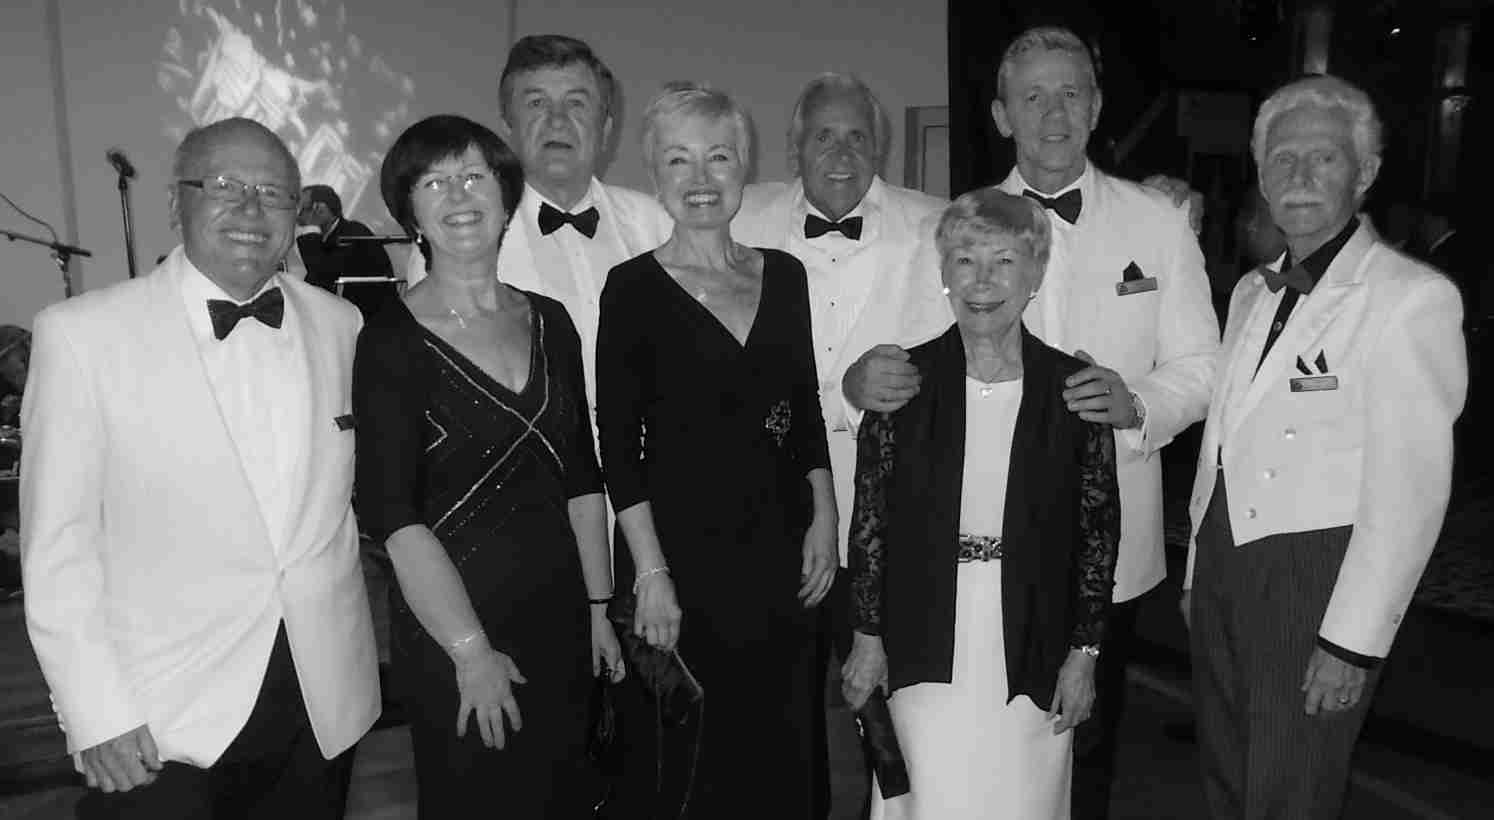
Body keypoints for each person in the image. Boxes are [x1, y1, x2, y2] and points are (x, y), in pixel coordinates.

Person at [844, 26, 1219, 817]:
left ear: (1098, 105)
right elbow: (890, 361)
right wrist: (857, 377)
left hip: (1094, 547)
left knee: (1079, 756)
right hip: (944, 565)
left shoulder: (1158, 222)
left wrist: (1139, 404)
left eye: (1071, 92)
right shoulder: (956, 230)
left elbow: (1203, 366)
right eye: (1033, 96)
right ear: (1001, 114)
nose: (1055, 112)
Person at [19, 117, 380, 819]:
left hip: (321, 700)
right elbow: (57, 548)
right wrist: (95, 711)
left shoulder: (344, 327)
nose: (251, 210)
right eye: (224, 186)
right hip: (161, 716)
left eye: (274, 194)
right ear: (174, 202)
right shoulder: (81, 336)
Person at [1182, 75, 1467, 819]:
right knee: (1227, 780)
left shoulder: (1410, 298)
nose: (1300, 175)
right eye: (1283, 159)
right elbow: (1222, 440)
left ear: (1365, 174)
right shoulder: (1251, 290)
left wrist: (1352, 642)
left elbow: (1410, 495)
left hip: (1315, 575)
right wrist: (1194, 572)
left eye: (1324, 158)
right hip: (1224, 564)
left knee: (1289, 793)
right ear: (1261, 175)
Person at [353, 114, 624, 818]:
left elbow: (582, 478)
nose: (459, 195)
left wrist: (599, 608)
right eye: (434, 182)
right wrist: (471, 652)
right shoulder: (389, 339)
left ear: (507, 198)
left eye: (474, 176)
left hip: (562, 616)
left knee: (570, 795)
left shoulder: (552, 320)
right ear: (409, 209)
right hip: (454, 631)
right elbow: (392, 515)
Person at [595, 83, 836, 818]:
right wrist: (651, 575)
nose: (701, 178)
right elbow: (619, 447)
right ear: (656, 177)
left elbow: (803, 409)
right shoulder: (631, 289)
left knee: (783, 745)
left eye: (719, 156)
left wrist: (825, 515)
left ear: (744, 166)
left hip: (781, 553)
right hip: (683, 562)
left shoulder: (786, 274)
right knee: (692, 766)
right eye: (679, 160)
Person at [845, 187, 1119, 819]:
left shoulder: (1074, 389)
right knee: (926, 799)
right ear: (944, 273)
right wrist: (867, 636)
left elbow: (1098, 532)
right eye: (966, 260)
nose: (983, 280)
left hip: (1033, 635)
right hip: (922, 633)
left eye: (1004, 261)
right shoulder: (903, 382)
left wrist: (1084, 654)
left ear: (1035, 275)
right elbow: (870, 523)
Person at [731, 73, 949, 819]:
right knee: (780, 708)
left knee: (885, 712)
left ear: (881, 145)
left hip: (891, 518)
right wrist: (840, 394)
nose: (841, 150)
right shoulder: (742, 219)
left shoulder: (935, 225)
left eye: (858, 135)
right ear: (793, 144)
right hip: (773, 515)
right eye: (823, 134)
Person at [406, 35, 672, 415]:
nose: (557, 120)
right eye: (536, 103)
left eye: (577, 103)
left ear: (607, 127)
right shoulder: (455, 239)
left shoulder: (655, 225)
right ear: (507, 124)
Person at [295, 184, 397, 316]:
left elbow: (323, 278)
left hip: (369, 317)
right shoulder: (320, 239)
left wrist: (310, 231)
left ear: (320, 209)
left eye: (302, 210)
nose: (298, 219)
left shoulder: (354, 233)